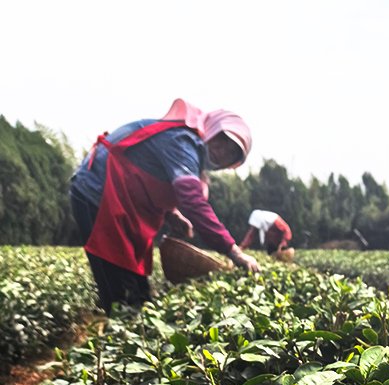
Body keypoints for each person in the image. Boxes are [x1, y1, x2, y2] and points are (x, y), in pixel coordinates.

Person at [70, 99, 260, 313]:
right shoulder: (183, 140)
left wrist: (171, 214)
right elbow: (193, 201)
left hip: (123, 205)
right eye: (223, 140)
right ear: (212, 128)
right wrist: (233, 251)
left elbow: (148, 169)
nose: (223, 152)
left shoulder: (192, 155)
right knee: (121, 297)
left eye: (233, 153)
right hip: (96, 193)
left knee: (140, 295)